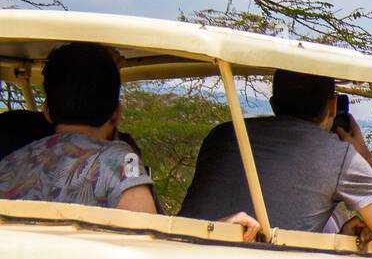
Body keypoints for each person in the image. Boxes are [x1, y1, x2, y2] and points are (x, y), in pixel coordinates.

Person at [0, 43, 259, 240]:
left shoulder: (11, 164)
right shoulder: (120, 161)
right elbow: (149, 241)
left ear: (47, 111)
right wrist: (219, 230)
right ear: (117, 113)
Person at [181, 70, 372, 257]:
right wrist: (364, 156)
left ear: (274, 105)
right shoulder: (340, 156)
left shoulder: (223, 135)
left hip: (184, 258)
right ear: (333, 107)